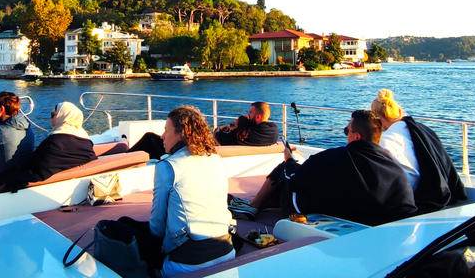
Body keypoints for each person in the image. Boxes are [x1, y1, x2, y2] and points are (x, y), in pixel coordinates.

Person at [229, 110, 417, 226]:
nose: (346, 135)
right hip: (373, 222)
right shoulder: (394, 167)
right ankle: (257, 204)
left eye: (346, 131)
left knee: (286, 172)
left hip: (319, 214)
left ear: (357, 136)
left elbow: (295, 181)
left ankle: (253, 207)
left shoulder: (336, 156)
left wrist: (289, 161)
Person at [119, 106, 235, 277]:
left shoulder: (168, 167)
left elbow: (157, 228)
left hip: (188, 263)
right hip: (227, 251)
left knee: (122, 229)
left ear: (181, 134)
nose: (162, 136)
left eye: (166, 130)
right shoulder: (216, 159)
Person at [0, 101, 98, 223]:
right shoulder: (29, 128)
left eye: (53, 115)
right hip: (45, 185)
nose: (51, 119)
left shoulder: (55, 142)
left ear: (2, 109)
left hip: (16, 186)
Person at [371, 89, 467, 213]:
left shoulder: (385, 141)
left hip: (416, 196)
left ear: (376, 118)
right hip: (442, 189)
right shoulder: (421, 130)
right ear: (399, 111)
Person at [129, 101, 278, 160]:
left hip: (194, 150)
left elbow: (217, 137)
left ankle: (124, 159)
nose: (248, 114)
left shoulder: (238, 135)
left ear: (258, 117)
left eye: (250, 113)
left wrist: (231, 128)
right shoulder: (272, 132)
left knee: (150, 139)